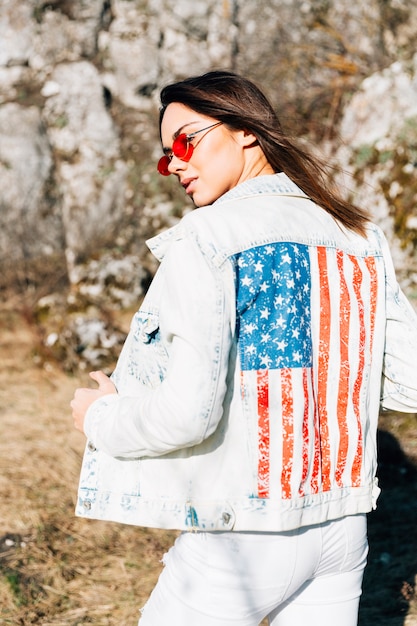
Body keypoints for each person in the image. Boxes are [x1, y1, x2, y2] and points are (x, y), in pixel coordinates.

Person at [71, 70, 417, 626]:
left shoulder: (206, 239)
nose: (176, 164)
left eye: (186, 141)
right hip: (343, 527)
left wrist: (102, 417)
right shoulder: (359, 237)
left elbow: (188, 416)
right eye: (166, 157)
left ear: (246, 131)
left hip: (242, 536)